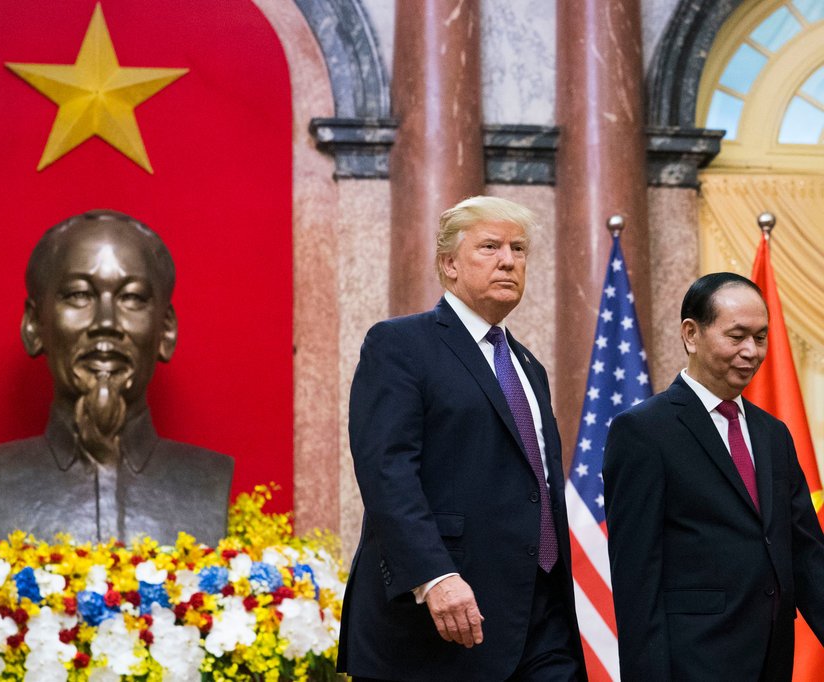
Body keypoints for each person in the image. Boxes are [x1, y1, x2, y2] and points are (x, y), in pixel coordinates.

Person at [338, 196, 586, 681]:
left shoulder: (528, 365)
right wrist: (435, 577)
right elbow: (387, 473)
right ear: (449, 265)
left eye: (518, 249)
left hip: (540, 615)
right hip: (439, 617)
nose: (509, 260)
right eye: (490, 246)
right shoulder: (400, 344)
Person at [0, 210, 233, 546]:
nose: (106, 322)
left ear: (166, 330)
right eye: (79, 295)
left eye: (132, 297)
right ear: (33, 325)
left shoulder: (209, 480)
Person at [604, 272, 824, 681]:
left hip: (772, 662)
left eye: (760, 338)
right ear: (691, 334)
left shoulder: (773, 434)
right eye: (736, 336)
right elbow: (637, 579)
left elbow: (807, 555)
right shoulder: (643, 431)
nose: (751, 351)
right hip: (693, 664)